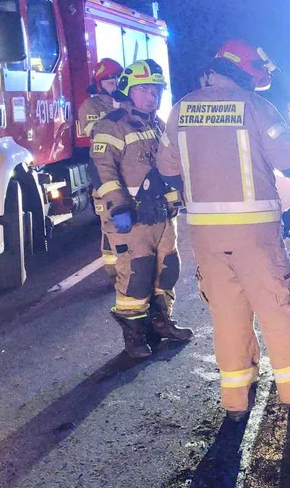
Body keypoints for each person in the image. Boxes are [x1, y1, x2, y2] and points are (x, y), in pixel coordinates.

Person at [156, 39, 290, 420]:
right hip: (254, 233)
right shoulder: (255, 107)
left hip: (205, 234)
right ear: (247, 71)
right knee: (278, 307)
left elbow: (168, 168)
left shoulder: (181, 109)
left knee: (226, 314)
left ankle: (235, 400)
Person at [91, 59, 192, 359]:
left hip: (162, 215)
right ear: (128, 90)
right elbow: (103, 170)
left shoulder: (158, 124)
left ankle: (161, 322)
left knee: (167, 270)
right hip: (131, 218)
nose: (153, 96)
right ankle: (134, 336)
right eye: (145, 89)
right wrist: (119, 206)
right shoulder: (110, 125)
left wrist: (179, 199)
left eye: (157, 90)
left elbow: (171, 167)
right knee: (136, 274)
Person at [81, 58, 124, 278]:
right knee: (109, 220)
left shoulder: (126, 100)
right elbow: (94, 132)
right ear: (99, 82)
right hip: (102, 168)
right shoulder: (91, 105)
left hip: (125, 169)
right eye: (107, 79)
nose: (113, 81)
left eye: (116, 77)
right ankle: (112, 271)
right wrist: (116, 113)